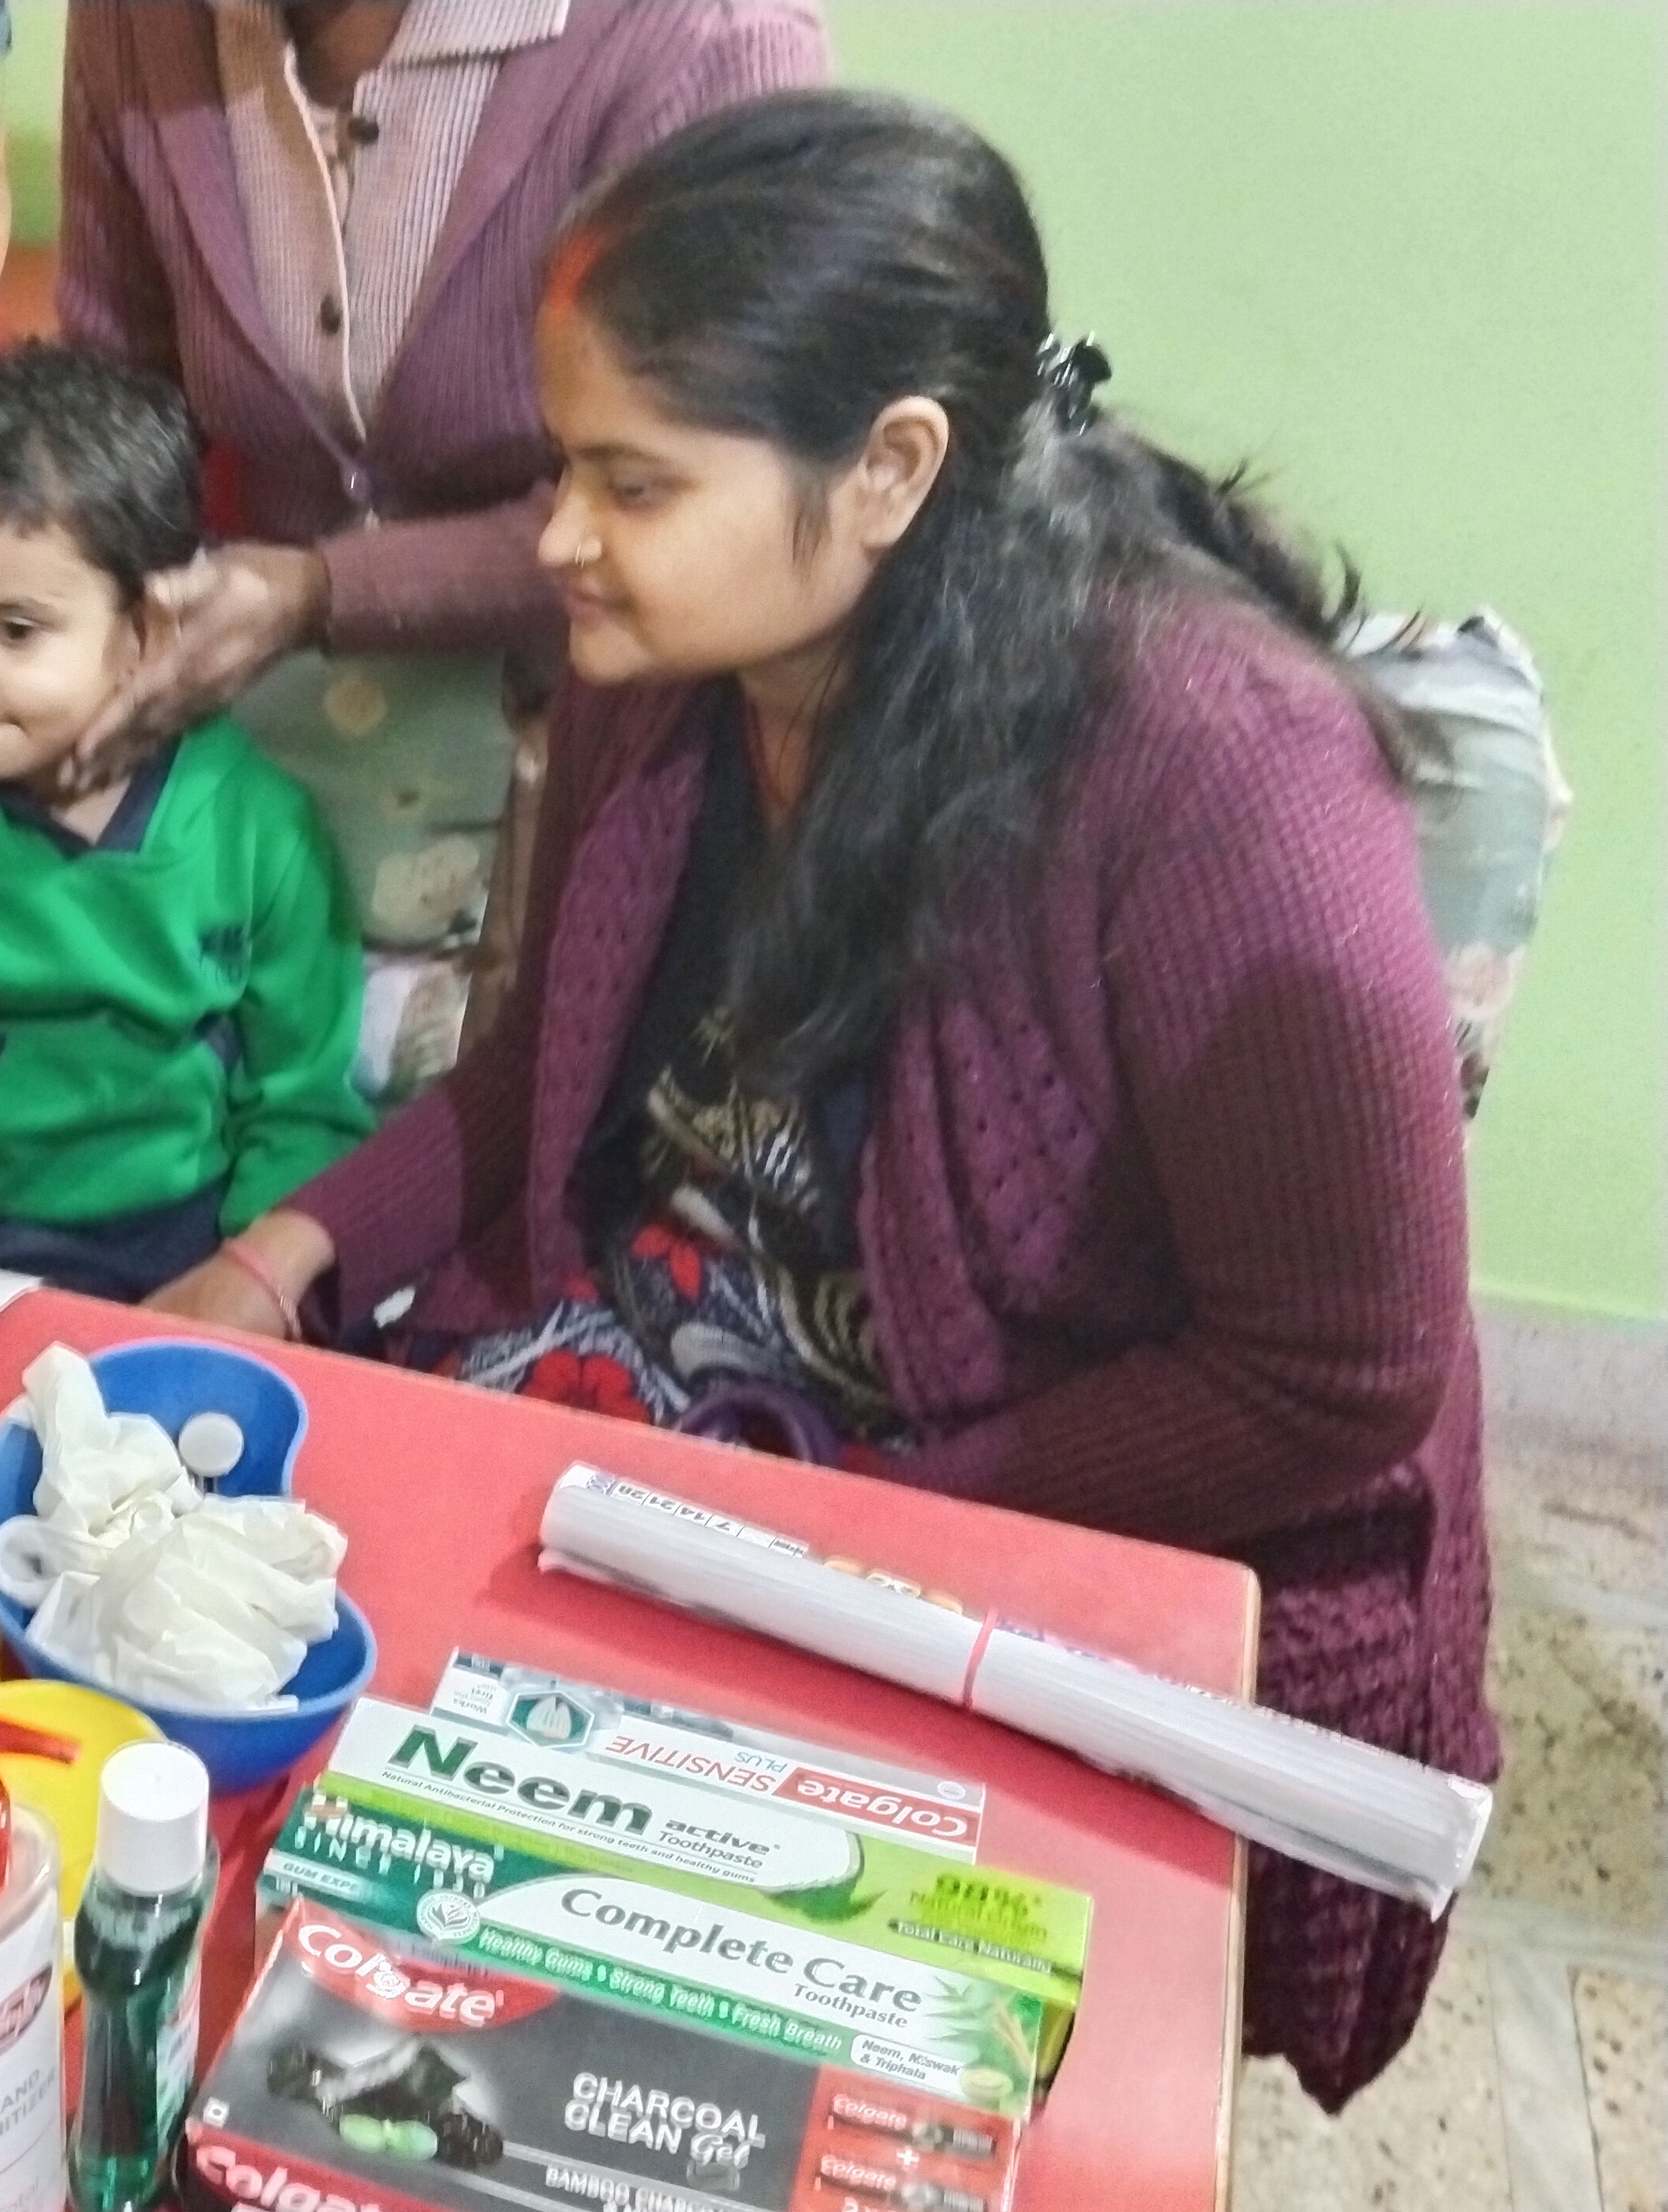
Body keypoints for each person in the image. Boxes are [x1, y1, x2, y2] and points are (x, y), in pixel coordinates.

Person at [160, 92, 1489, 2108]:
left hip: (1015, 1478)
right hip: (688, 1400)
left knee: (696, 2081)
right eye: (558, 467)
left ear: (886, 470)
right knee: (287, 1842)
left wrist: (839, 1535)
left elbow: (1334, 1375)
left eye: (629, 479)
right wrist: (277, 1256)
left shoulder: (1218, 776)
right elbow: (551, 1071)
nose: (553, 540)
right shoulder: (665, 651)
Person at [57, 1, 827, 1086]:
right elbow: (111, 396)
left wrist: (318, 592)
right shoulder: (140, 22)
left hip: (608, 745)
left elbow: (699, 518)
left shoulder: (699, 38)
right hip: (283, 755)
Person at [0, 341, 370, 1300]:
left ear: (152, 630)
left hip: (186, 1252)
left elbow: (301, 1109)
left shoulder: (264, 832)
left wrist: (253, 1285)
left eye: (14, 631)